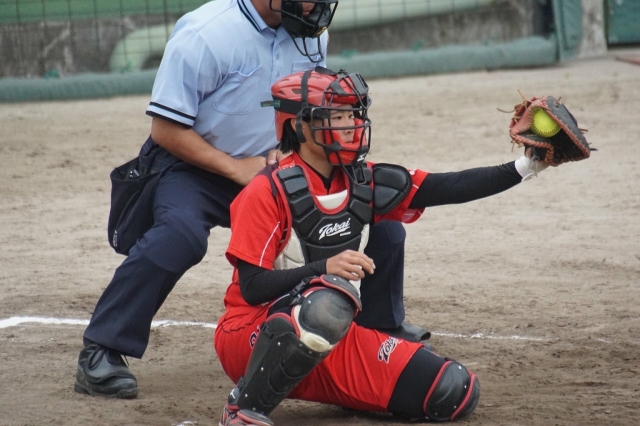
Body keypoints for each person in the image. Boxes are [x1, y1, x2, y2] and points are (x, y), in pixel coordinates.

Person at [75, 0, 424, 400]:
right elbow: (165, 130)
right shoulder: (205, 35)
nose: (316, 4)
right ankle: (102, 348)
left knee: (376, 216)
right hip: (193, 166)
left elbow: (308, 113)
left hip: (275, 165)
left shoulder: (310, 29)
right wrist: (236, 168)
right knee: (180, 234)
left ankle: (381, 330)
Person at [213, 67, 555, 425]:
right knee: (327, 300)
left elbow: (444, 187)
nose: (350, 124)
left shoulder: (364, 180)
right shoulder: (265, 191)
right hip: (251, 336)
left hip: (330, 333)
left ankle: (355, 382)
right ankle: (243, 409)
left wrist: (527, 165)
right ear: (299, 127)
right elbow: (251, 288)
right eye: (337, 115)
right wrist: (322, 269)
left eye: (352, 114)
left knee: (453, 391)